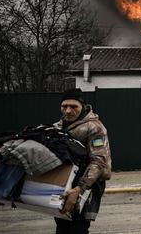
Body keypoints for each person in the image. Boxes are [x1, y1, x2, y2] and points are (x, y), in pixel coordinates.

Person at [54, 88, 112, 234]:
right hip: (66, 182)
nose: (68, 111)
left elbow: (99, 161)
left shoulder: (94, 128)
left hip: (88, 184)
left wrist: (79, 189)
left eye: (73, 106)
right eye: (64, 106)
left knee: (77, 227)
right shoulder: (58, 126)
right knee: (62, 225)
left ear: (83, 107)